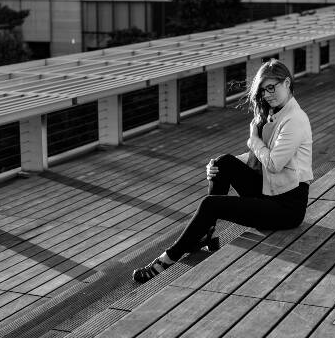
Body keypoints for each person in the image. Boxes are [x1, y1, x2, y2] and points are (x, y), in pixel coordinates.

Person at [132, 59, 313, 283]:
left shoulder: (294, 120)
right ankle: (204, 234)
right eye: (262, 90)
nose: (266, 95)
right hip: (271, 190)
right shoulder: (277, 113)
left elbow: (274, 163)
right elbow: (260, 158)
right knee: (223, 162)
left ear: (287, 82)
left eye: (271, 88)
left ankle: (168, 258)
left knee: (211, 205)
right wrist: (218, 166)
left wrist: (253, 139)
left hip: (286, 207)